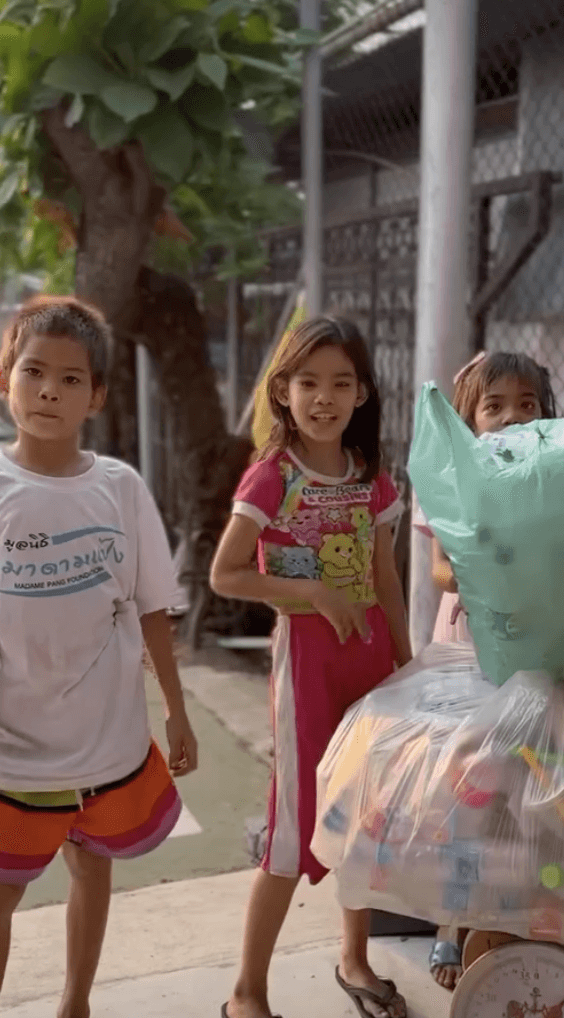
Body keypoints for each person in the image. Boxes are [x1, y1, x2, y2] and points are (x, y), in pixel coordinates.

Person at [0, 295, 198, 1018]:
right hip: (10, 747)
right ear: (4, 376)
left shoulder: (120, 487)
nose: (49, 389)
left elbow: (153, 608)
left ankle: (76, 1003)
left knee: (92, 866)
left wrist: (176, 710)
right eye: (34, 372)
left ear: (96, 396)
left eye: (72, 379)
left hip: (107, 740)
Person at [210, 316, 412, 1018]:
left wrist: (406, 663)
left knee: (362, 818)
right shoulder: (273, 475)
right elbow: (225, 574)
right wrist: (312, 593)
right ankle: (247, 992)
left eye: (339, 382)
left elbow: (386, 575)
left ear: (361, 394)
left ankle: (354, 958)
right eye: (308, 382)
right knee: (292, 837)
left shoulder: (370, 475)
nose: (323, 396)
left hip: (374, 669)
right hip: (308, 670)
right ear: (283, 391)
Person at [413, 351, 556, 991]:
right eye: (493, 407)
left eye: (526, 404)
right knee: (469, 796)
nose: (511, 417)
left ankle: (520, 917)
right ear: (471, 421)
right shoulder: (452, 479)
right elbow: (441, 569)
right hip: (471, 654)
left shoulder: (555, 476)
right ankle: (453, 925)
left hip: (536, 660)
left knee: (528, 796)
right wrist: (493, 578)